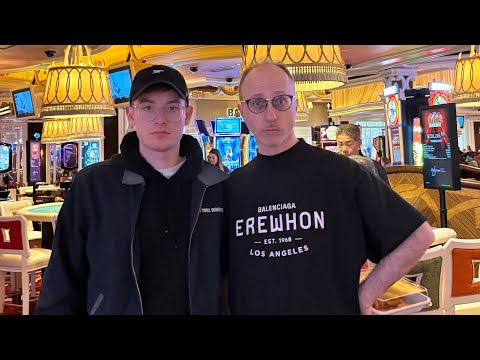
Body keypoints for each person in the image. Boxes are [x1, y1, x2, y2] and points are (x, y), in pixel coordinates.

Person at [224, 62, 435, 315]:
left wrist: (365, 295)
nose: (270, 115)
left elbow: (419, 236)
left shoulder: (342, 173)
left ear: (295, 105)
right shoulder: (231, 188)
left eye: (280, 100)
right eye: (257, 103)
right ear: (243, 112)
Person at [35, 64, 229, 315]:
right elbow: (63, 276)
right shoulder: (94, 185)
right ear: (131, 115)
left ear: (187, 114)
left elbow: (236, 276)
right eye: (148, 107)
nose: (160, 119)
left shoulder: (216, 185)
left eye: (172, 107)